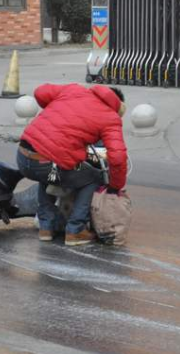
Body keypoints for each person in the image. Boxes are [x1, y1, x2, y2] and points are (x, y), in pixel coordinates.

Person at [16, 83, 128, 246]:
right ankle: (75, 230)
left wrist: (58, 111)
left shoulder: (73, 90)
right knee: (92, 177)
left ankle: (46, 227)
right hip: (46, 161)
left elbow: (40, 92)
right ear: (118, 108)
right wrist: (115, 187)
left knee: (48, 170)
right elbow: (117, 158)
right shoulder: (111, 117)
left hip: (23, 156)